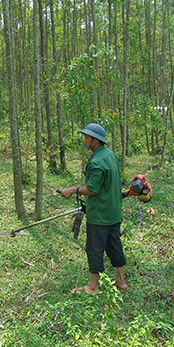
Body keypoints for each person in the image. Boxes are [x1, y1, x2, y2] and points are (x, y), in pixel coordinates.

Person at [60, 123, 127, 295]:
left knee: (94, 248)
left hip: (100, 214)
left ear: (95, 140)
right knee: (114, 244)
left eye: (87, 138)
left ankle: (93, 286)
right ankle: (121, 280)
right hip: (113, 211)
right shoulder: (110, 155)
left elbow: (92, 188)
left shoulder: (97, 161)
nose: (84, 141)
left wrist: (71, 191)